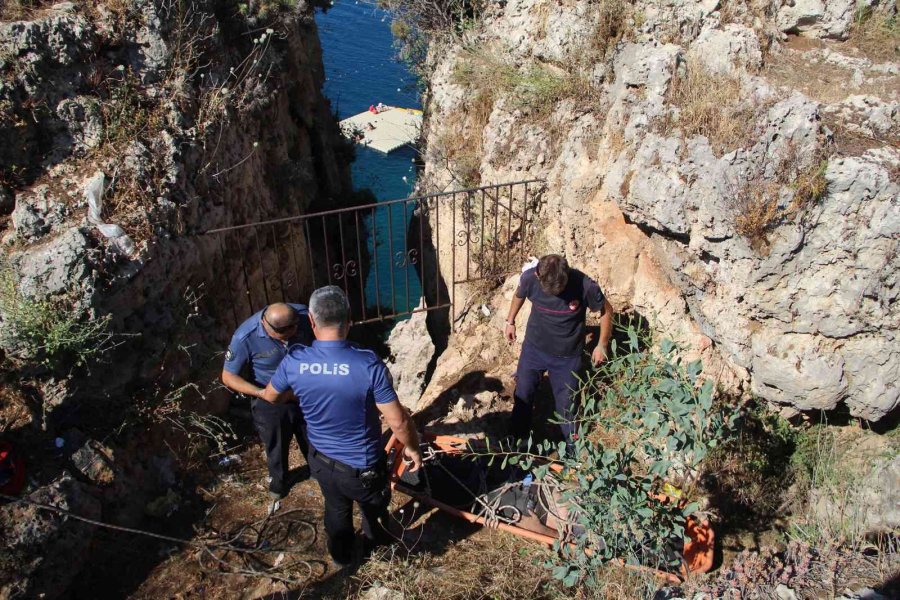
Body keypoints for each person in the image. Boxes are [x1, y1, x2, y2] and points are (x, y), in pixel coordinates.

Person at [262, 286, 422, 567]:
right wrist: (411, 448)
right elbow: (397, 420)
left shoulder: (295, 361)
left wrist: (305, 388)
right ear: (349, 321)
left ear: (311, 321)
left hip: (321, 461)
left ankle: (341, 559)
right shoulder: (368, 365)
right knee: (373, 513)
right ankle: (376, 555)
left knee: (336, 509)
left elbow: (272, 396)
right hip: (363, 468)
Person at [504, 254, 613, 442]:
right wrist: (510, 321)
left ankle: (572, 453)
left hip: (567, 358)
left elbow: (606, 310)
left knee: (567, 408)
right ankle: (517, 440)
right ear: (539, 276)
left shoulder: (584, 285)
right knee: (523, 394)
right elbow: (518, 295)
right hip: (534, 349)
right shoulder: (530, 277)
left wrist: (602, 344)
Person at [221, 302, 313, 499]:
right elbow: (228, 376)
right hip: (271, 396)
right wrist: (261, 393)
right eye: (286, 332)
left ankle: (317, 471)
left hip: (305, 391)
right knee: (276, 444)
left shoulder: (303, 316)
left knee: (312, 436)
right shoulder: (245, 336)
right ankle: (278, 484)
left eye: (295, 327)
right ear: (267, 326)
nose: (294, 332)